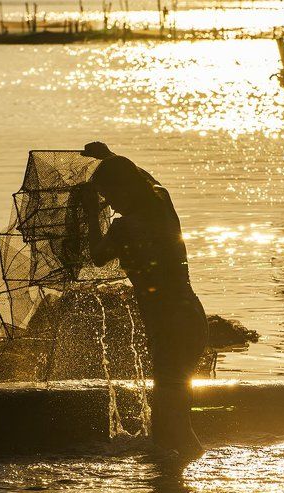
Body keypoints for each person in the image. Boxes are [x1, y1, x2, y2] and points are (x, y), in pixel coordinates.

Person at [80, 145, 207, 457]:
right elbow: (147, 179)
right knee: (173, 418)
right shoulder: (161, 201)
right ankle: (175, 488)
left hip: (170, 328)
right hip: (191, 319)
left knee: (170, 424)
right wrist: (109, 156)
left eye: (109, 194)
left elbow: (97, 256)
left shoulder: (125, 228)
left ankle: (176, 487)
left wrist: (89, 214)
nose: (108, 203)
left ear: (125, 189)